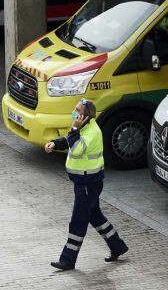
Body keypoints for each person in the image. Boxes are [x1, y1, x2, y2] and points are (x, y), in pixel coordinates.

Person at [44, 98, 128, 270]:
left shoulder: (91, 132)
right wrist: (55, 143)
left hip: (88, 184)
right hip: (84, 182)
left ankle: (68, 260)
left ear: (84, 116)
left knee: (78, 221)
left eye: (77, 110)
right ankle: (118, 246)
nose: (74, 113)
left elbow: (76, 148)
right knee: (95, 216)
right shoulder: (85, 127)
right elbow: (69, 139)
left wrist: (74, 128)